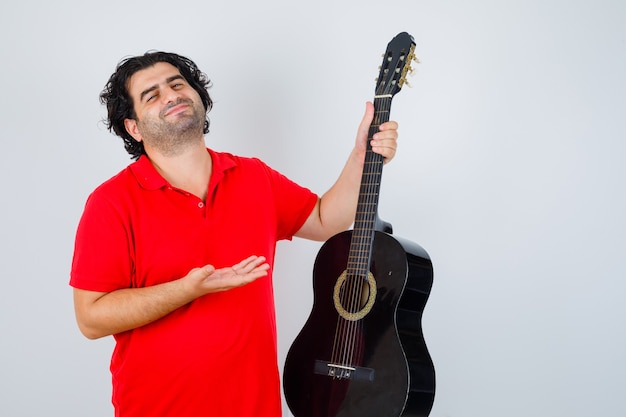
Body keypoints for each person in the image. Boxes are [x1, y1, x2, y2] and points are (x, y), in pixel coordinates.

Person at [70, 51, 399, 417]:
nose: (171, 95)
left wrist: (360, 158)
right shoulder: (111, 203)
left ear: (198, 96)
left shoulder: (253, 177)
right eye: (152, 94)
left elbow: (324, 219)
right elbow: (91, 319)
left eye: (178, 84)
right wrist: (186, 289)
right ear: (133, 127)